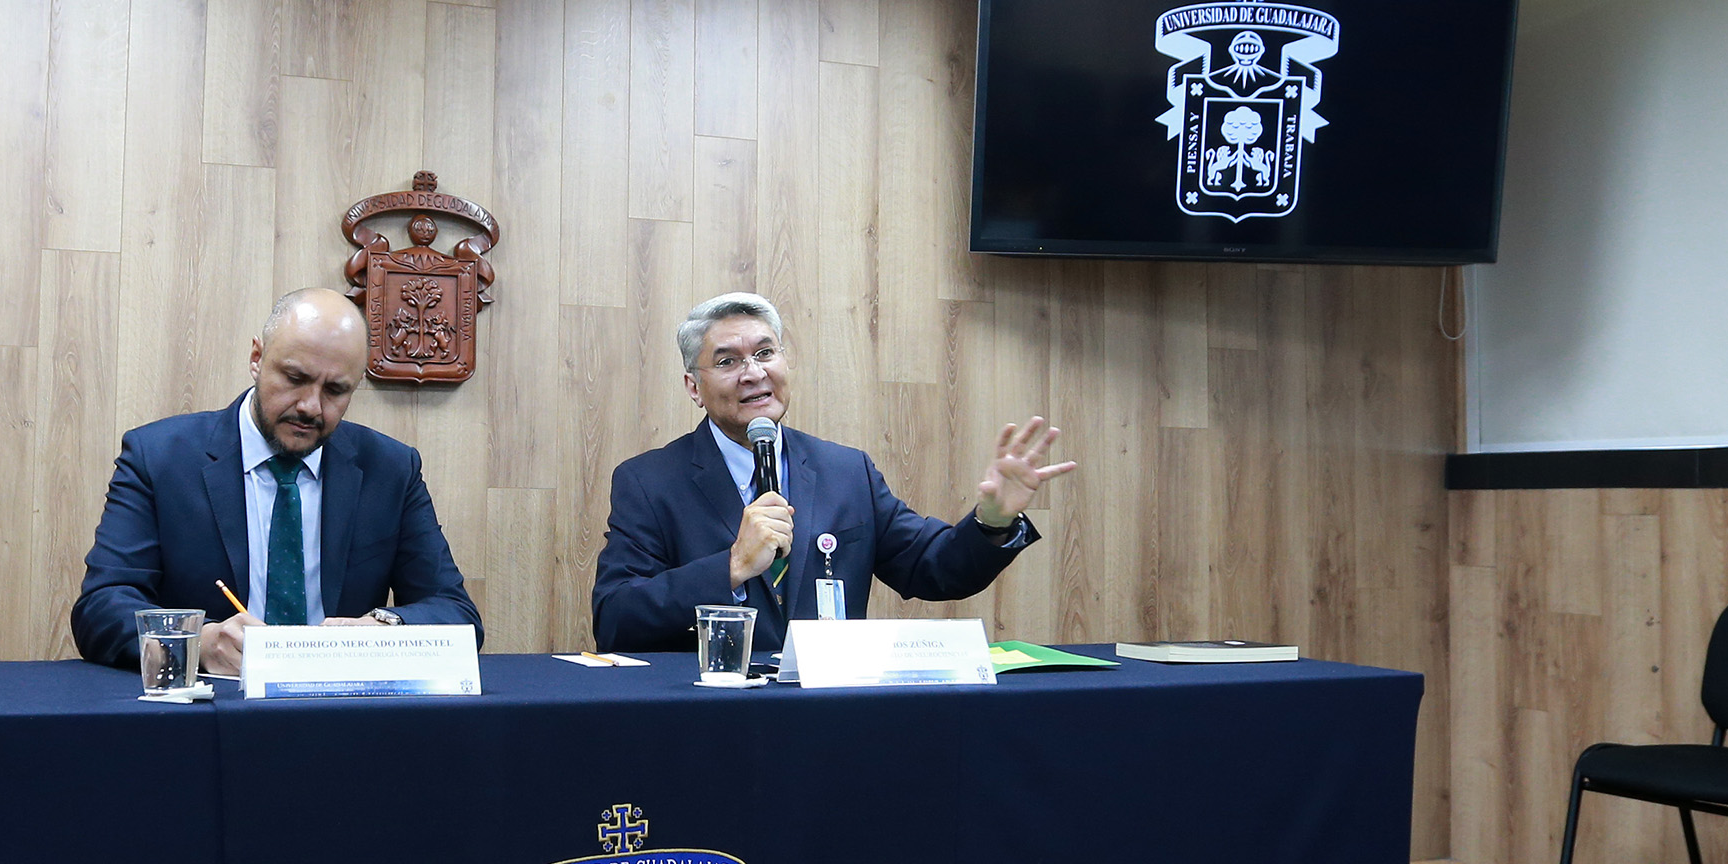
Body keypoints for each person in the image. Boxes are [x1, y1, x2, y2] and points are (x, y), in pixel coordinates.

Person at [589, 292, 1075, 656]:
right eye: (727, 361)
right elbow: (616, 619)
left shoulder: (846, 471)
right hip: (710, 720)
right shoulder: (650, 482)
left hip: (830, 715)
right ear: (694, 387)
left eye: (765, 353)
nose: (753, 373)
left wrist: (991, 521)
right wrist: (732, 566)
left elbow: (934, 568)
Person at [73, 289, 481, 674]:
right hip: (208, 715)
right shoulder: (159, 457)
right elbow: (101, 608)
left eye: (335, 390)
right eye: (294, 378)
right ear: (257, 358)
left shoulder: (390, 469)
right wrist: (197, 640)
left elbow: (455, 612)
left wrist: (384, 629)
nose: (310, 406)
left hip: (344, 714)